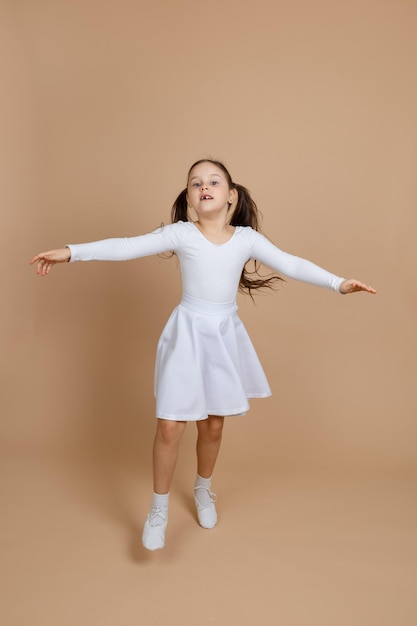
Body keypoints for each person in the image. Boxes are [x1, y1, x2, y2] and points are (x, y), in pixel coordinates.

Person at [30, 159, 377, 551]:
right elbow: (126, 247)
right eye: (195, 183)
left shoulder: (246, 239)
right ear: (190, 199)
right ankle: (158, 510)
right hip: (187, 335)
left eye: (213, 181)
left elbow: (292, 263)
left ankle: (202, 488)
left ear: (231, 195)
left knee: (212, 425)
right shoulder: (181, 234)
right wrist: (70, 251)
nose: (204, 186)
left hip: (224, 336)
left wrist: (338, 283)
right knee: (171, 426)